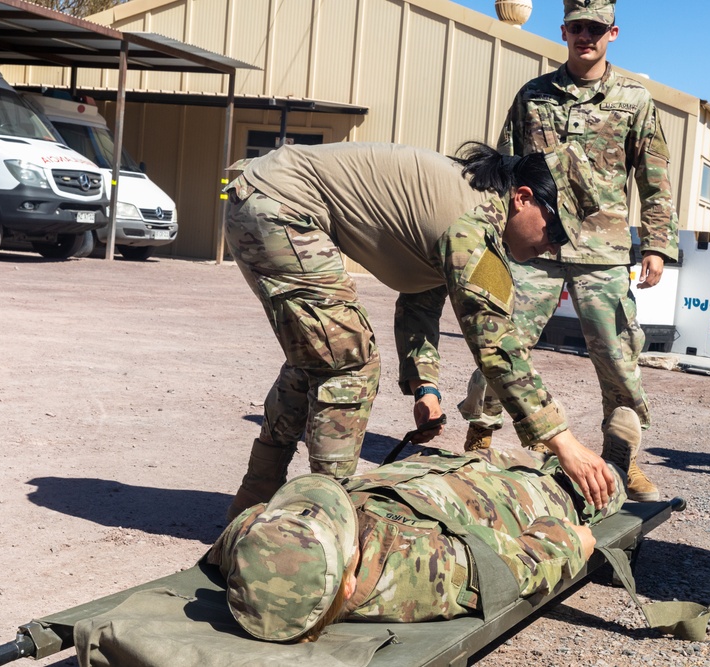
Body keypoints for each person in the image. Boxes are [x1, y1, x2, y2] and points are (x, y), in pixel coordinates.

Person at [222, 140, 617, 522]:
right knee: (349, 362)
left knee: (320, 354)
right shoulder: (472, 227)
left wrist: (424, 386)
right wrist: (562, 440)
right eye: (555, 231)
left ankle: (254, 498)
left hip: (264, 194)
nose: (553, 248)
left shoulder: (471, 202)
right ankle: (329, 521)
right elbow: (496, 343)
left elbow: (420, 296)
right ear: (524, 198)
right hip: (281, 207)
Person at [457, 0, 679, 503]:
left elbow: (656, 181)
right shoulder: (532, 96)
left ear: (613, 33)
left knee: (619, 358)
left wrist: (657, 246)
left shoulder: (634, 100)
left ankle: (622, 461)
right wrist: (495, 234)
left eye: (596, 28)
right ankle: (480, 438)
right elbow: (503, 171)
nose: (586, 36)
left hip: (602, 251)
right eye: (578, 27)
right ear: (564, 30)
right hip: (535, 247)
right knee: (502, 341)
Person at [207, 406, 644, 642]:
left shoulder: (254, 546)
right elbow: (519, 566)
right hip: (509, 504)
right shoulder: (417, 573)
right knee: (590, 490)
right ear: (346, 586)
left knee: (511, 459)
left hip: (439, 477)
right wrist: (573, 540)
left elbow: (241, 530)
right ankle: (619, 469)